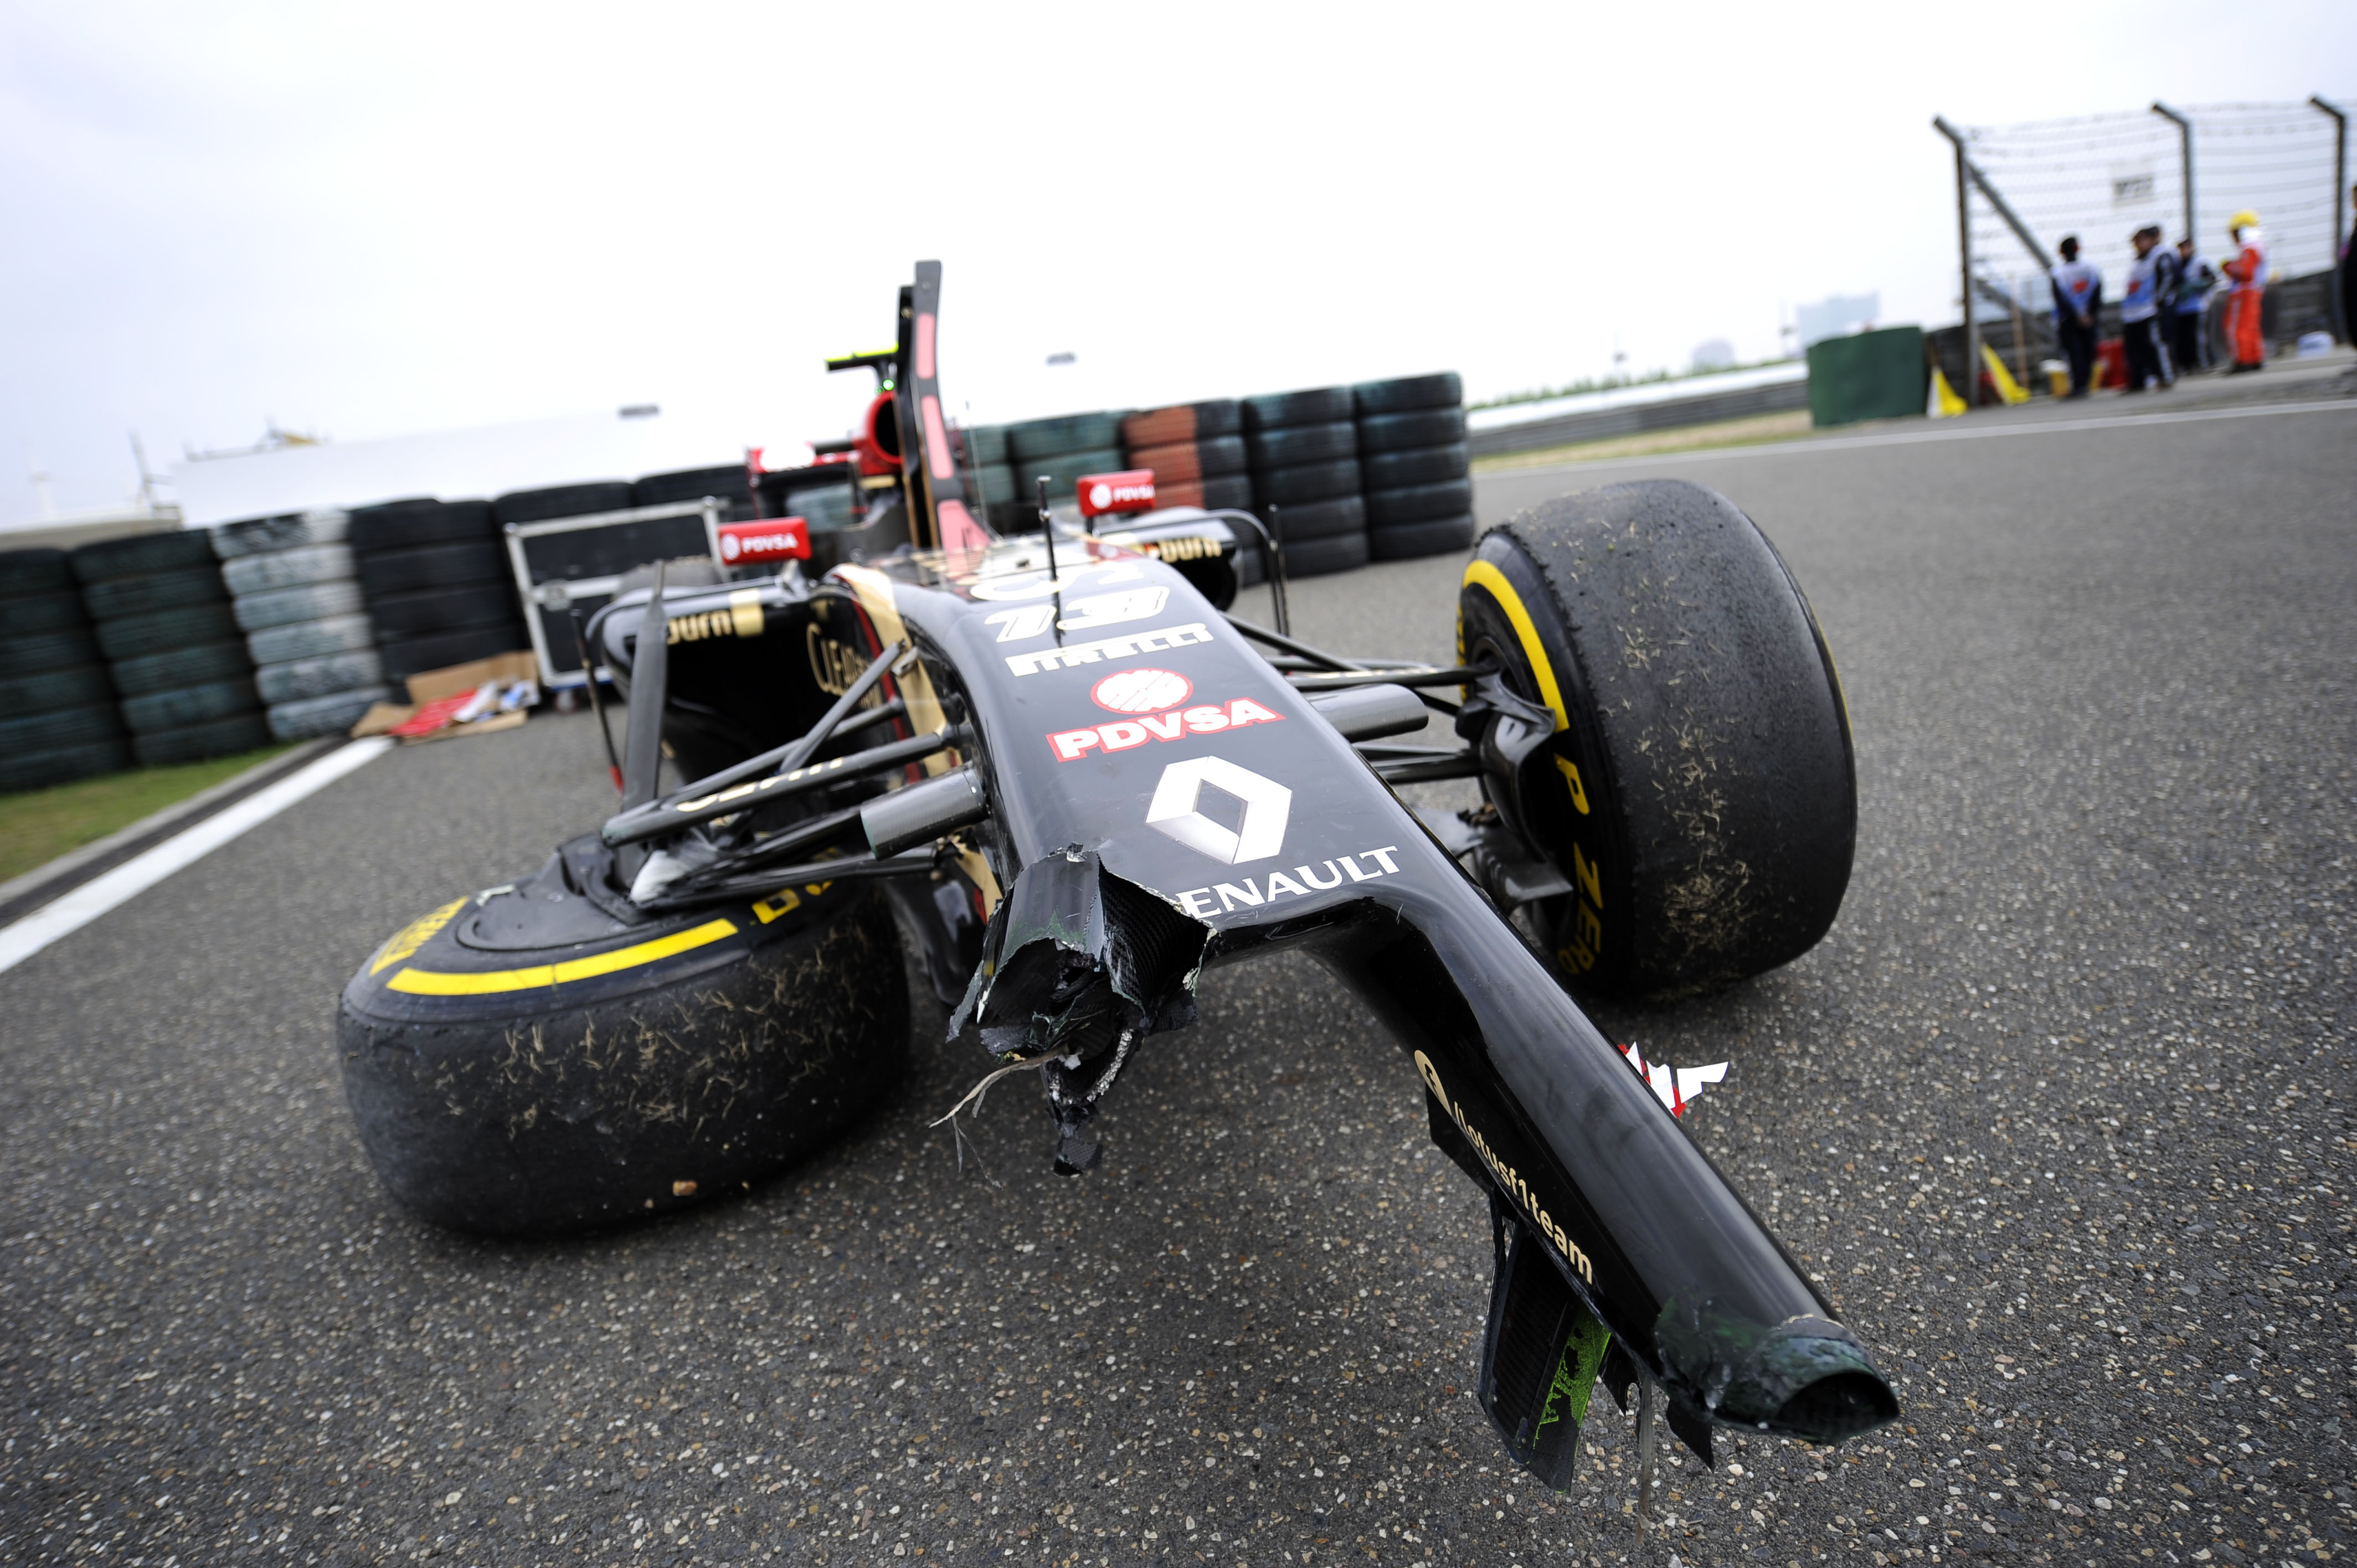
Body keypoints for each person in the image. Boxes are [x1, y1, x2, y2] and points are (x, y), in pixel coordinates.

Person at [2050, 236, 2101, 397]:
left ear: (2061, 252)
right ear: (2078, 248)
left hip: (2068, 319)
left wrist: (2075, 316)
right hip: (2088, 317)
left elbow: (2060, 299)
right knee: (2087, 352)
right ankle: (2084, 383)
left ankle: (2079, 385)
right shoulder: (2091, 268)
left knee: (2074, 353)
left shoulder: (2058, 273)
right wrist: (2090, 313)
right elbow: (2097, 292)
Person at [2118, 226, 2169, 391]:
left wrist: (2159, 301)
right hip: (2132, 311)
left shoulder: (2158, 257)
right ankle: (2138, 380)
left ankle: (2163, 375)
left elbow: (2166, 280)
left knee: (2152, 344)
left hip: (2149, 309)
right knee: (2133, 348)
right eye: (2136, 242)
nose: (2139, 245)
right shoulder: (2136, 262)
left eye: (2142, 241)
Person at [2220, 209, 2269, 373]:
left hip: (2244, 293)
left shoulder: (2249, 249)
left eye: (2235, 232)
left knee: (2237, 328)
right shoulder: (2257, 246)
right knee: (2252, 327)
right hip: (2253, 291)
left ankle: (2243, 360)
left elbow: (2245, 273)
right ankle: (2255, 358)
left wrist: (2228, 267)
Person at [2174, 238, 2217, 373]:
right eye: (2181, 248)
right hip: (2182, 308)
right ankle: (2189, 364)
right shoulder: (2178, 265)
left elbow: (2212, 279)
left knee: (2198, 337)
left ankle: (2204, 363)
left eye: (2186, 248)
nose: (2184, 251)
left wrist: (2199, 285)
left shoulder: (2199, 263)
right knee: (2184, 339)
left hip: (2198, 306)